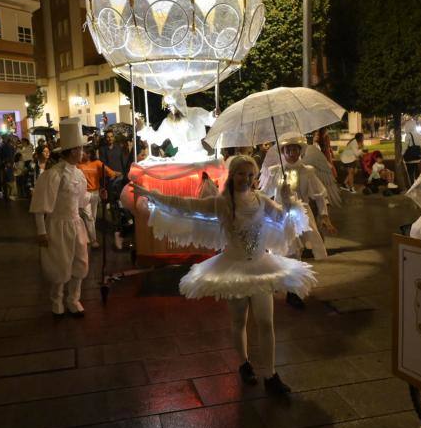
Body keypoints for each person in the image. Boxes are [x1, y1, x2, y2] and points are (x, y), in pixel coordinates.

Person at [134, 156, 316, 395]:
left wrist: (288, 199)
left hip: (262, 267)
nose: (247, 179)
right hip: (233, 269)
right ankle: (244, 363)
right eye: (242, 174)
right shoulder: (221, 204)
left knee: (265, 321)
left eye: (251, 175)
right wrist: (153, 195)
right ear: (232, 175)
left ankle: (271, 375)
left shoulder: (262, 201)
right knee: (239, 321)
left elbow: (288, 222)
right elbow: (185, 205)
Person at [262, 133, 334, 309]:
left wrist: (324, 215)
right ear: (283, 151)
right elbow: (265, 194)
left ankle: (293, 291)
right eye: (288, 149)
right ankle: (282, 285)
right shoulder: (275, 171)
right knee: (279, 251)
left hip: (300, 216)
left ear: (300, 151)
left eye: (295, 149)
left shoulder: (308, 171)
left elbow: (319, 195)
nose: (292, 153)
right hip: (279, 215)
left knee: (296, 253)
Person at [30, 118, 90, 317]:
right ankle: (56, 301)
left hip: (75, 223)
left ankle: (74, 299)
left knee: (79, 262)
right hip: (58, 224)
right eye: (80, 149)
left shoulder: (79, 174)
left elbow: (81, 202)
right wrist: (41, 231)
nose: (82, 153)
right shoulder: (54, 174)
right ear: (73, 150)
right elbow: (41, 204)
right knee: (60, 263)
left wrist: (97, 196)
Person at [78, 148, 120, 248]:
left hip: (95, 193)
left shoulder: (97, 163)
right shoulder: (78, 165)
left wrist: (116, 175)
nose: (81, 154)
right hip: (84, 193)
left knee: (93, 217)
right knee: (88, 217)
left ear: (88, 154)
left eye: (83, 152)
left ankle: (88, 236)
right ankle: (93, 240)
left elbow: (110, 172)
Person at [401, 119, 421, 185]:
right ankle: (418, 184)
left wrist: (401, 155)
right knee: (417, 172)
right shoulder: (420, 135)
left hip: (410, 158)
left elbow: (405, 147)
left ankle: (412, 186)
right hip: (417, 157)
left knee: (410, 172)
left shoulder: (408, 135)